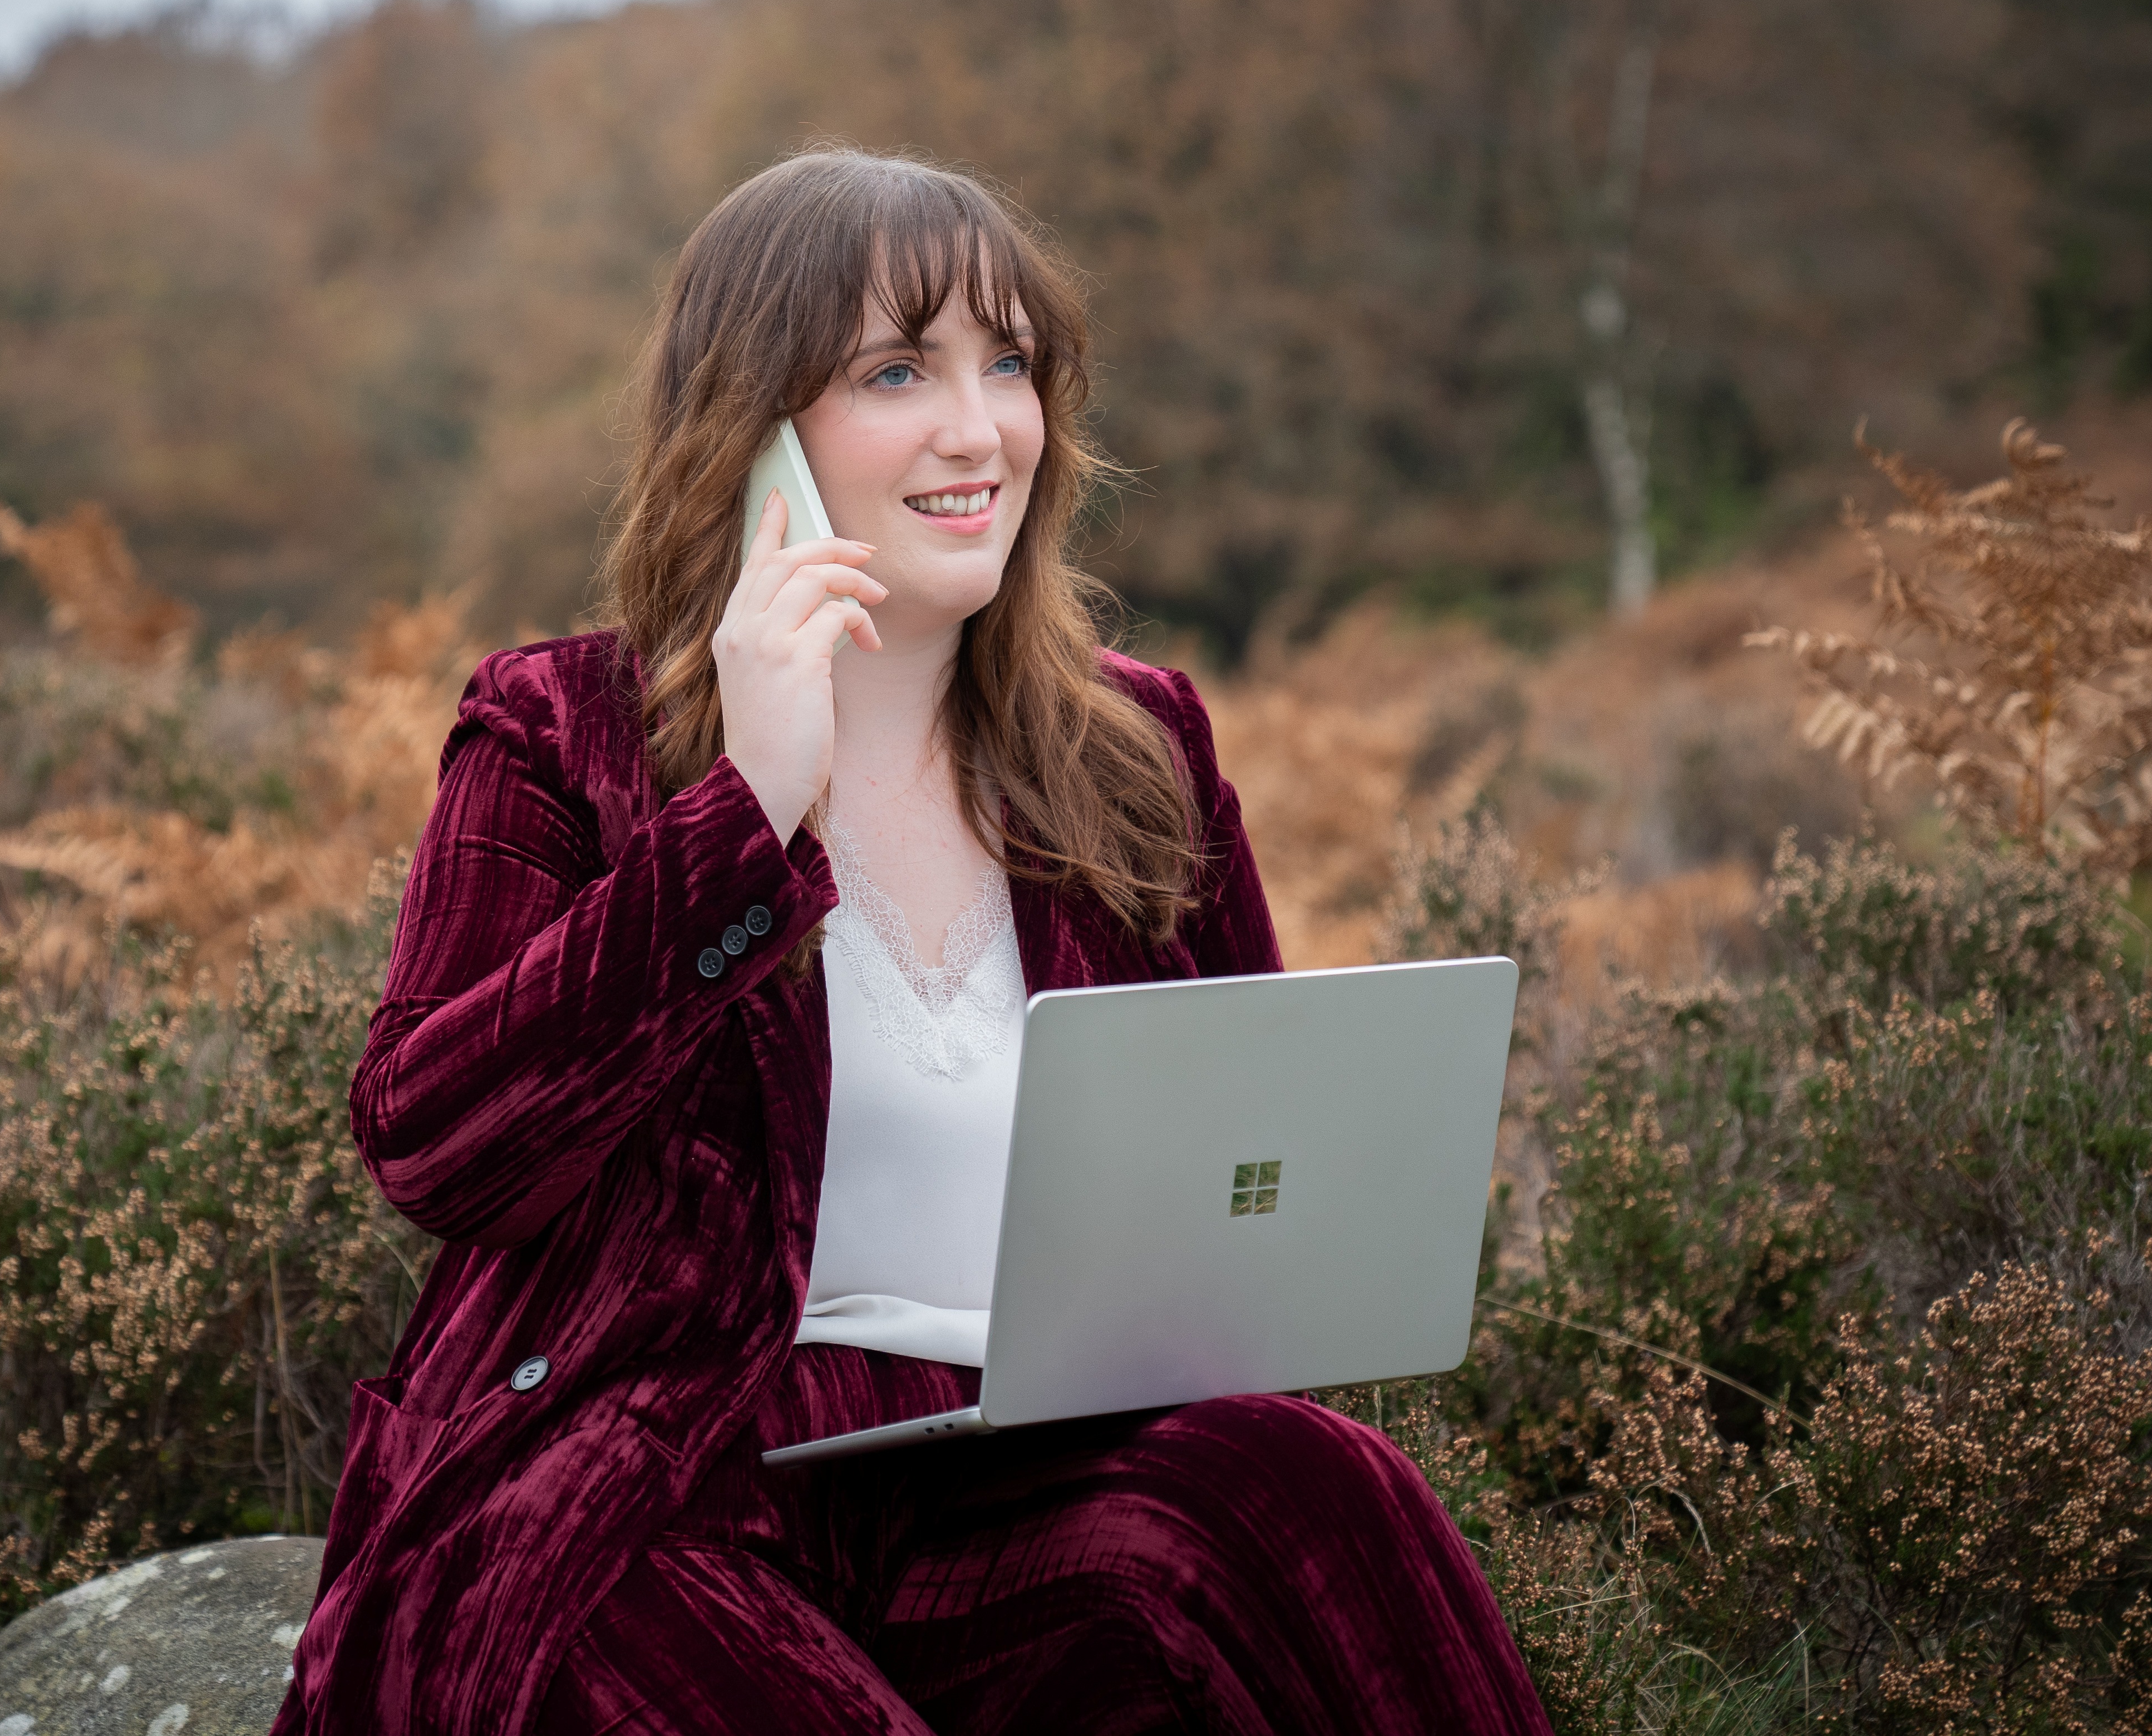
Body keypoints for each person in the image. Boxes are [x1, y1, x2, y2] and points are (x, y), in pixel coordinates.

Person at [272, 147, 1550, 1735]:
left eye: (1007, 362)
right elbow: (432, 1146)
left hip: (999, 1481)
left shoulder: (1136, 747)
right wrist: (744, 805)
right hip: (643, 1497)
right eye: (899, 370)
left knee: (1312, 1486)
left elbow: (1244, 1174)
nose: (979, 428)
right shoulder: (557, 731)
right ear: (758, 439)